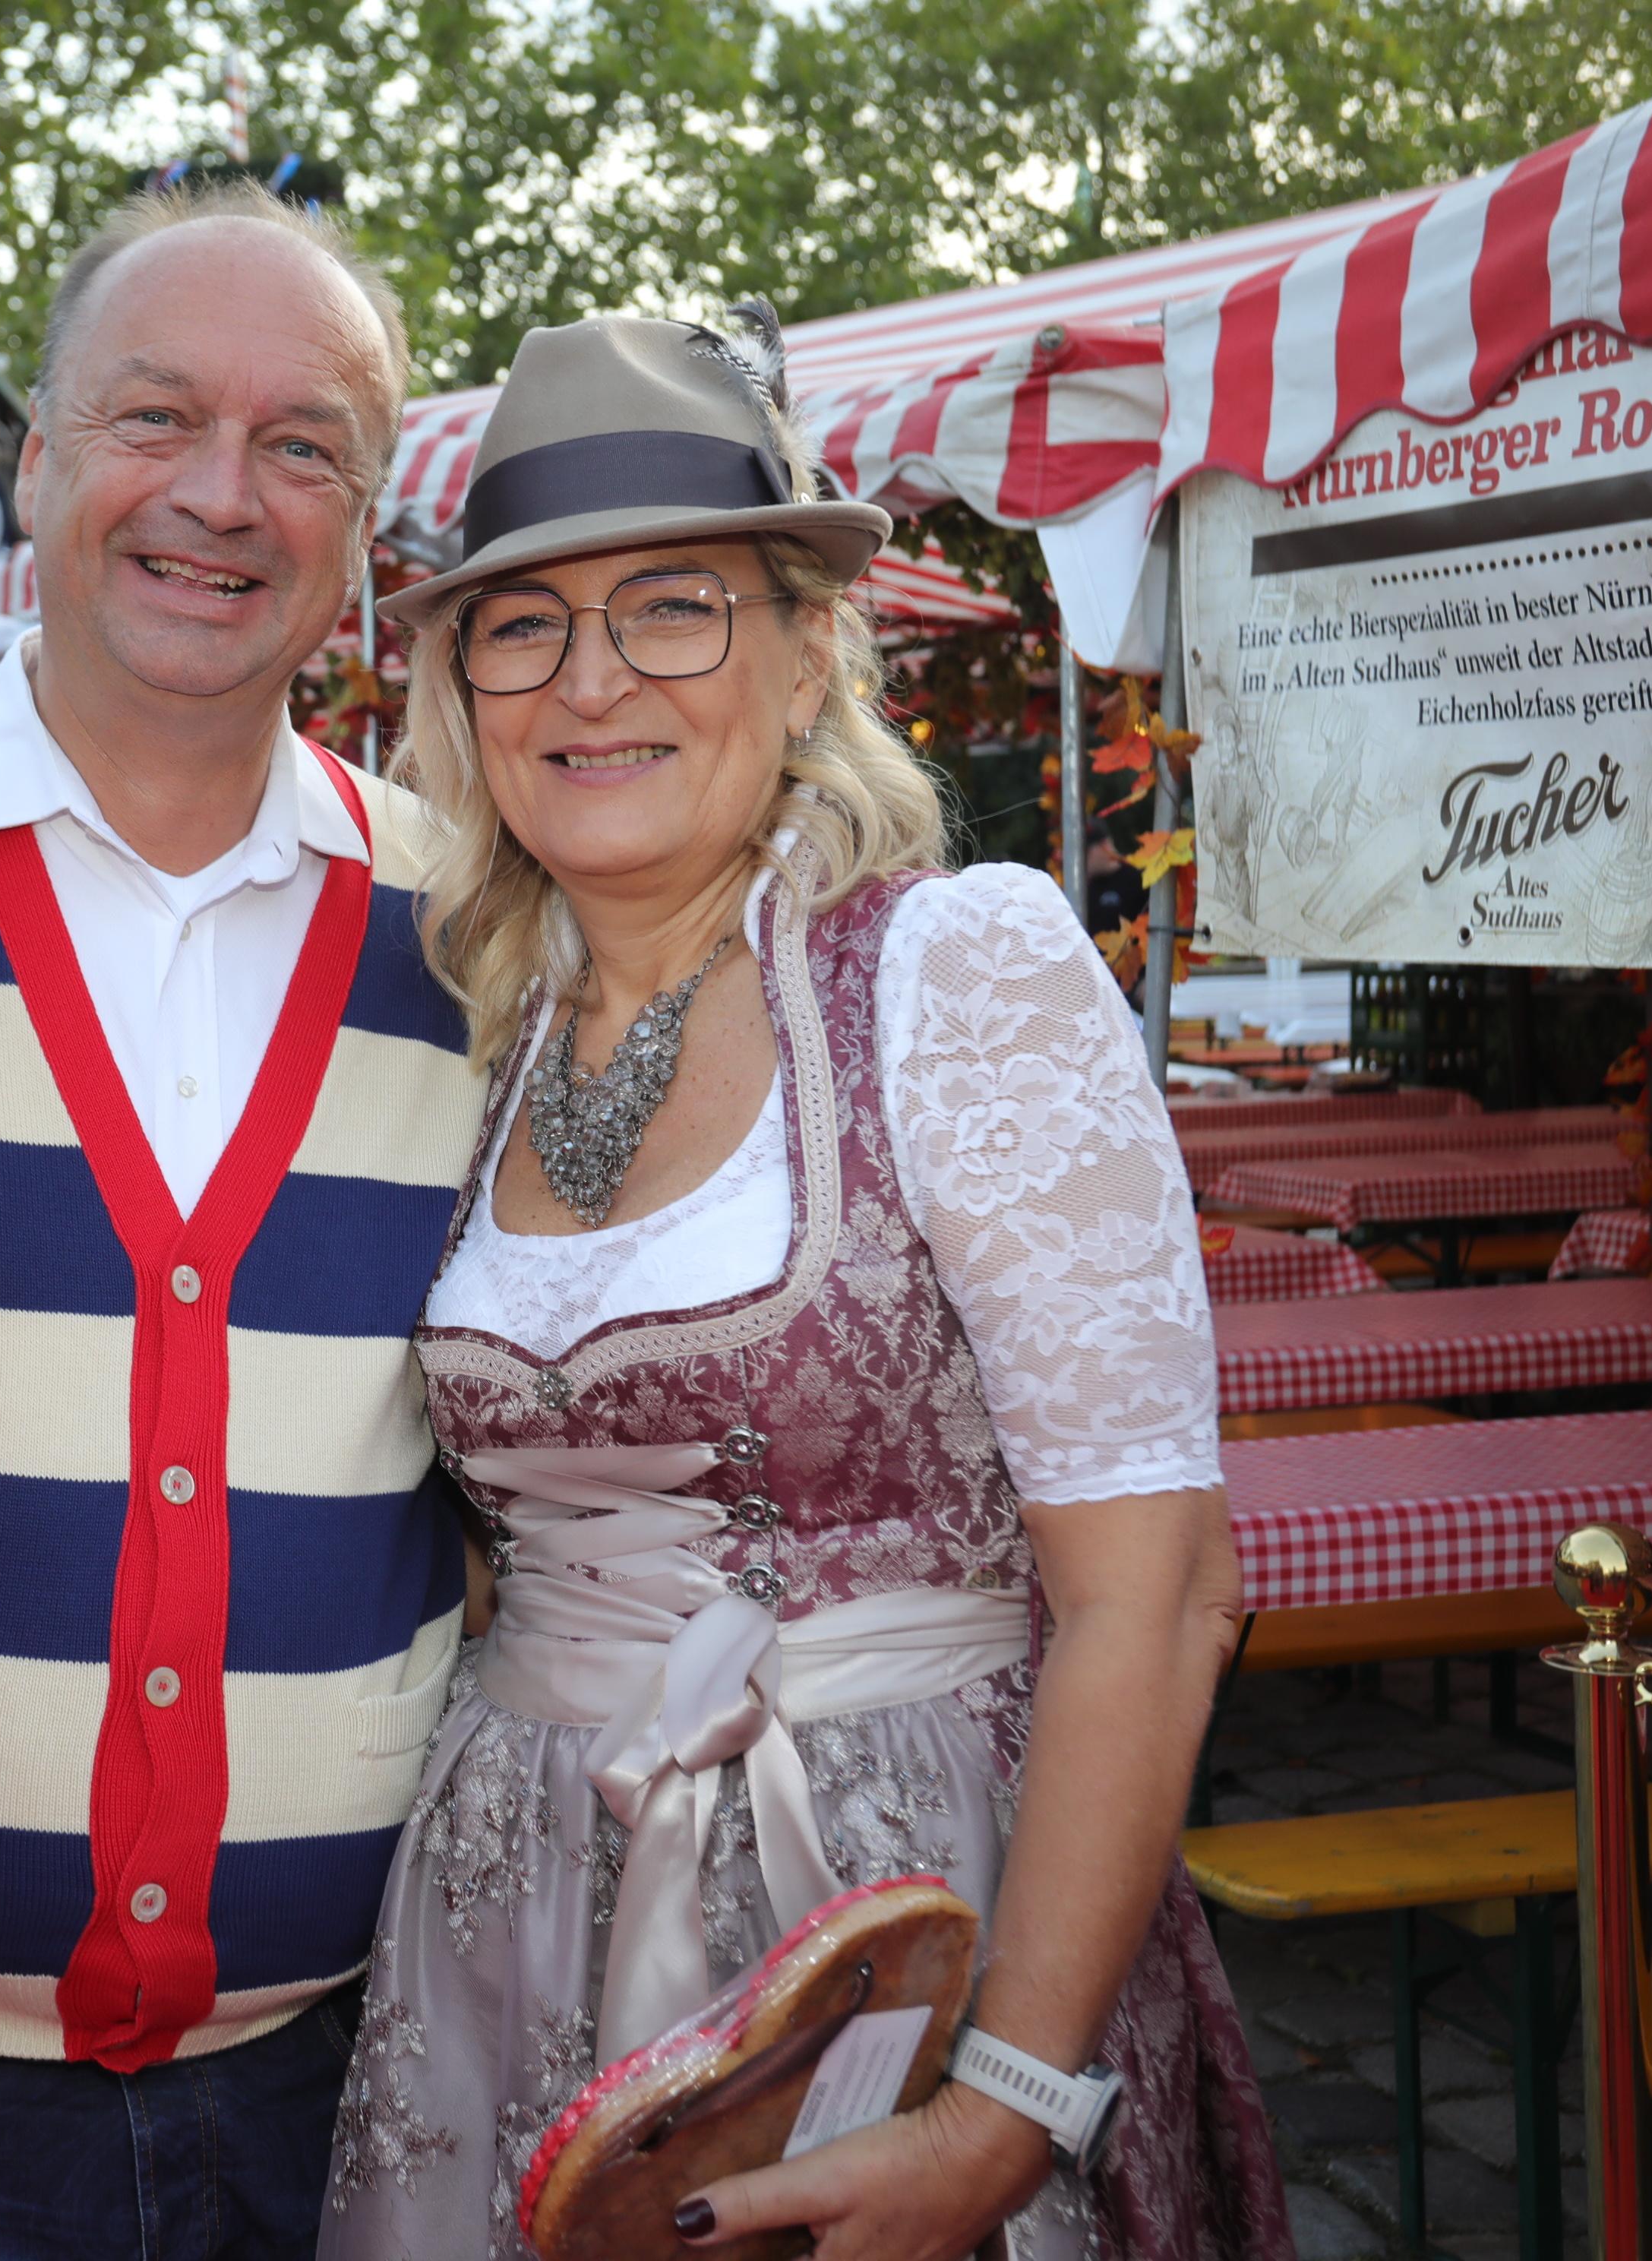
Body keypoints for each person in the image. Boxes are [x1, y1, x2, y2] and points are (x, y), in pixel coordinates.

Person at [319, 311, 1293, 2261]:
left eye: (670, 610)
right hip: (504, 1927)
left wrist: (1008, 2110)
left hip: (899, 1928)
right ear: (461, 683)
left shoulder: (955, 975)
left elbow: (1160, 1590)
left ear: (804, 648)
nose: (590, 683)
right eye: (523, 628)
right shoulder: (473, 1031)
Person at [0, 182, 484, 2258]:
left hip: (343, 2093)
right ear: (41, 459)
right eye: (156, 418)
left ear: (364, 526)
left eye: (305, 445)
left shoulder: (483, 934)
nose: (223, 499)